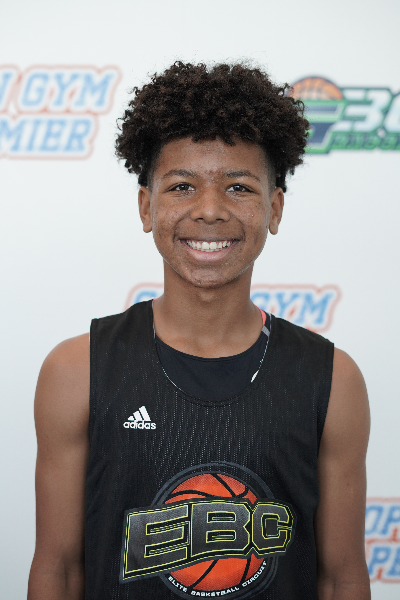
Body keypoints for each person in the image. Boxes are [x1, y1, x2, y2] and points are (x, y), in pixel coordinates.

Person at [28, 62, 371, 600]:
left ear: (274, 208)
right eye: (182, 186)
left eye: (238, 187)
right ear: (147, 206)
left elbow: (341, 577)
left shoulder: (332, 379)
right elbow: (59, 568)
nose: (209, 210)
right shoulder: (76, 371)